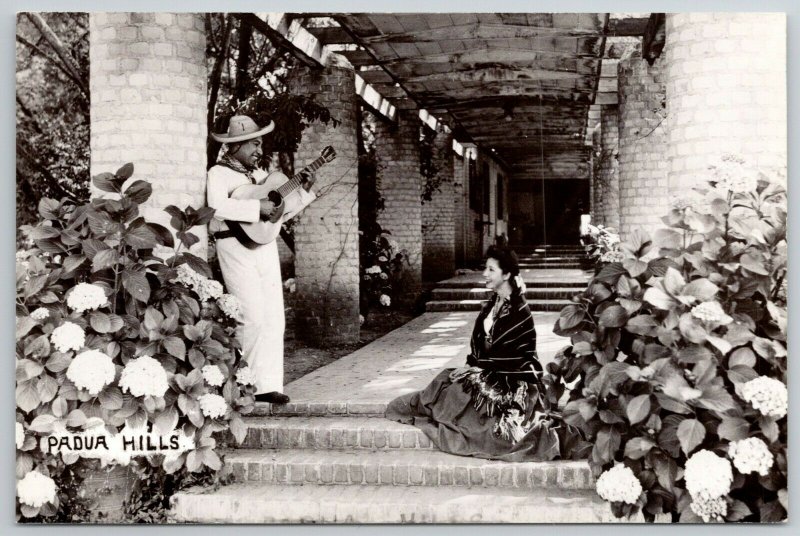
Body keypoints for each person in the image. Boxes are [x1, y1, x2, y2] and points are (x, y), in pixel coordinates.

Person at [386, 245, 559, 461]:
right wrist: (471, 366)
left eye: (491, 270)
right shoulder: (492, 304)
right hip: (488, 370)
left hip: (511, 379)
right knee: (446, 381)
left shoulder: (519, 311)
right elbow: (480, 345)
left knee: (462, 396)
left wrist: (477, 371)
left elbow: (514, 357)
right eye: (485, 269)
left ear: (506, 275)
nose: (485, 274)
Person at [207, 115, 316, 404]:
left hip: (265, 245)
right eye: (254, 143)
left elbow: (281, 215)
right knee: (251, 316)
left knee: (274, 317)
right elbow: (217, 207)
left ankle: (268, 385)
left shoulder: (259, 177)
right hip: (234, 245)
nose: (259, 148)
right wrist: (258, 207)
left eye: (260, 143)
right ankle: (244, 385)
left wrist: (302, 192)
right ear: (237, 145)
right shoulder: (218, 174)